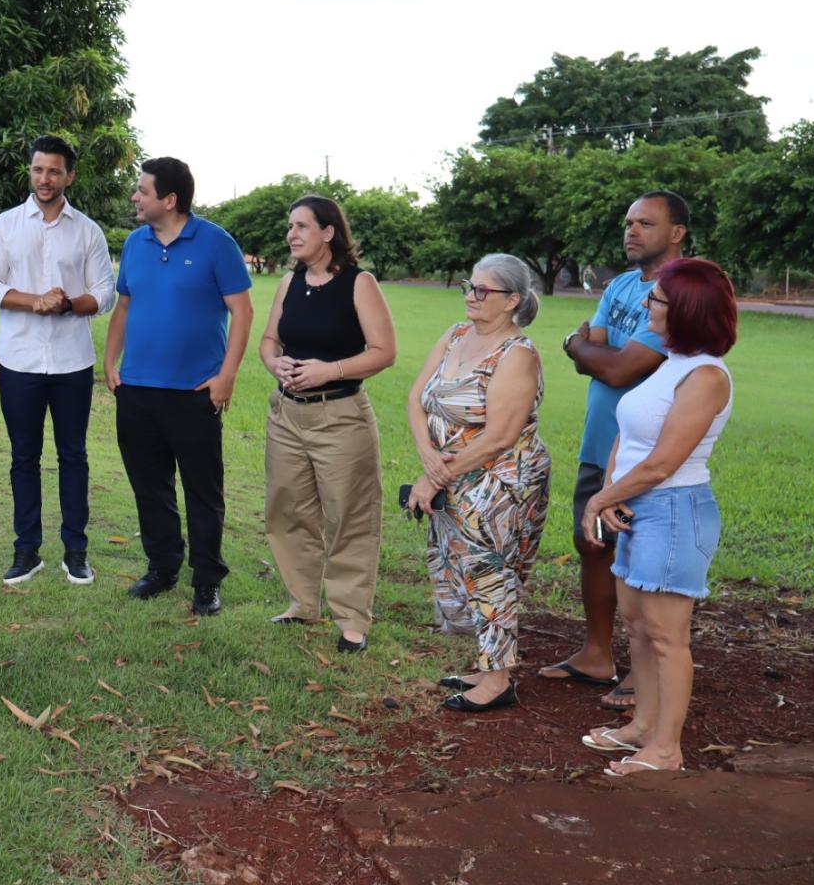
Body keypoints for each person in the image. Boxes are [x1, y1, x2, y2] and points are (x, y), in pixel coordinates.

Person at [579, 259, 736, 775]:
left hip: (673, 510)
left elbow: (665, 461)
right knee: (637, 625)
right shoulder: (669, 361)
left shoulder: (706, 375)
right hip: (635, 503)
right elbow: (630, 434)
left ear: (687, 309)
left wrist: (602, 502)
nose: (647, 306)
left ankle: (666, 749)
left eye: (658, 300)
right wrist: (609, 489)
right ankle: (642, 726)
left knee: (668, 636)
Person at [542, 191, 687, 708]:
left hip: (648, 449)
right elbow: (602, 352)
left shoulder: (683, 291)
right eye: (629, 222)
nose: (632, 231)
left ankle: (643, 672)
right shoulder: (622, 285)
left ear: (677, 233)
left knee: (640, 557)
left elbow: (620, 367)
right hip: (600, 438)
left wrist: (576, 346)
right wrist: (591, 351)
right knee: (594, 545)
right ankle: (597, 655)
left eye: (646, 223)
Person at [104, 157, 253, 616]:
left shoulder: (215, 242)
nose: (135, 197)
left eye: (142, 191)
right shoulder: (134, 243)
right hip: (137, 390)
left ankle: (207, 581)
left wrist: (226, 376)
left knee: (202, 492)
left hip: (194, 393)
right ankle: (162, 567)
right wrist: (110, 362)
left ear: (169, 200)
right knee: (150, 488)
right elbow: (124, 307)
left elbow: (242, 312)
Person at [407, 254, 551, 712]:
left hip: (499, 479)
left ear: (512, 301)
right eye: (469, 286)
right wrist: (430, 460)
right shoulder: (455, 334)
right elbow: (417, 398)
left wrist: (436, 477)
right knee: (458, 571)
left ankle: (499, 680)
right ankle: (486, 664)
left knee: (488, 572)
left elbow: (501, 436)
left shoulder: (517, 354)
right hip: (450, 472)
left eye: (483, 290)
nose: (471, 295)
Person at [0, 135, 115, 586]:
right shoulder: (5, 225)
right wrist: (35, 300)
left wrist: (68, 305)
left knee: (74, 456)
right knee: (24, 458)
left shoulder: (88, 231)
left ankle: (76, 551)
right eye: (38, 169)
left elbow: (105, 292)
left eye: (54, 171)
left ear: (69, 176)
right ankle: (26, 550)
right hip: (19, 361)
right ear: (30, 172)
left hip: (72, 362)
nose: (45, 178)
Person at [258, 196, 396, 653]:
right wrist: (275, 365)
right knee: (287, 509)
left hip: (340, 417)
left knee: (349, 517)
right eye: (290, 226)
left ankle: (352, 619)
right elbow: (270, 339)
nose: (291, 234)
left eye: (301, 226)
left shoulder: (360, 284)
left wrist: (328, 371)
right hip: (287, 415)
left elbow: (383, 352)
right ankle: (303, 602)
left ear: (328, 232)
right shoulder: (289, 282)